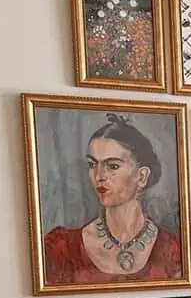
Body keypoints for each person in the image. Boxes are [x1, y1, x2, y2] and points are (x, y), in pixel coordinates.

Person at [43, 114, 182, 285]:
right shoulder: (62, 248)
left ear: (142, 176)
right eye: (92, 164)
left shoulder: (174, 250)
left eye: (113, 166)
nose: (99, 176)